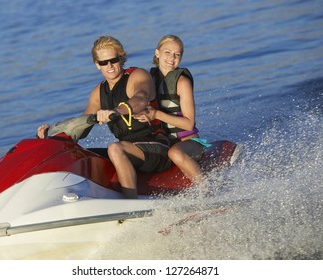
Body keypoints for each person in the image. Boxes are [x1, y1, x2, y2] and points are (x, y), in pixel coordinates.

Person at [37, 35, 172, 199]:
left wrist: (116, 111)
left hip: (158, 147)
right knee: (78, 155)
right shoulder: (98, 93)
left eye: (113, 60)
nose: (109, 66)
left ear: (121, 59)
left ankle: (131, 204)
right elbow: (81, 127)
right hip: (129, 149)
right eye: (103, 62)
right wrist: (51, 137)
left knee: (114, 148)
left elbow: (141, 99)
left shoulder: (137, 76)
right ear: (97, 65)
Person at [135, 35, 208, 186]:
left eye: (177, 54)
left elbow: (188, 124)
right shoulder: (149, 79)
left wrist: (156, 114)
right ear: (157, 53)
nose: (171, 58)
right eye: (167, 52)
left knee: (175, 153)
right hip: (164, 142)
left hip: (189, 142)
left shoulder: (182, 82)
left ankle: (206, 189)